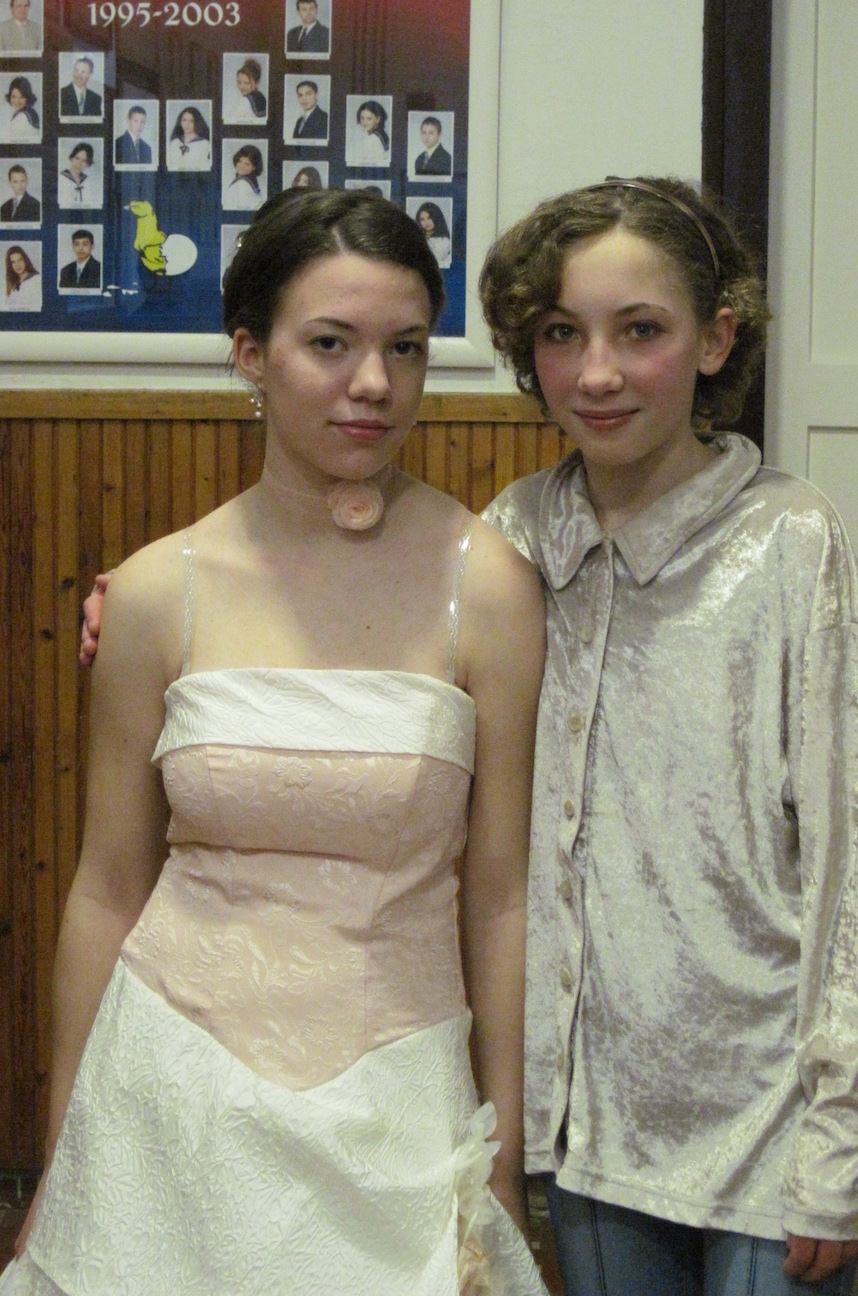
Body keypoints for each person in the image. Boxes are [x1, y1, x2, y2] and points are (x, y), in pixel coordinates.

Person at [6, 187, 547, 1296]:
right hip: (169, 1091)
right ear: (251, 353)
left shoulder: (486, 585)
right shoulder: (157, 591)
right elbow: (108, 886)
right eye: (331, 344)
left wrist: (505, 1151)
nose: (374, 384)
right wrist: (66, 1148)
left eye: (405, 348)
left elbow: (501, 897)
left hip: (396, 1096)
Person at [477, 176, 858, 1296]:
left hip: (767, 1123)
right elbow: (373, 646)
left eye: (641, 331)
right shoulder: (513, 537)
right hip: (591, 1124)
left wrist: (843, 1141)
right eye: (562, 334)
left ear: (717, 338)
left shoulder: (791, 541)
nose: (598, 373)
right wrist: (141, 608)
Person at [166, 105, 211, 171]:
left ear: (197, 122)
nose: (187, 124)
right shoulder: (174, 143)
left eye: (191, 121)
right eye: (184, 120)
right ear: (180, 122)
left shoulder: (205, 144)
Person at [348, 98, 389, 166]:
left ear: (378, 119)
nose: (364, 122)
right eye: (362, 118)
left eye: (369, 119)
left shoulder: (372, 139)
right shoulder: (382, 134)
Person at [223, 143, 264, 210]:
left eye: (246, 164)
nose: (241, 166)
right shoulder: (250, 182)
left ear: (254, 167)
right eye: (240, 161)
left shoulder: (242, 184)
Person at [3, 242, 40, 309]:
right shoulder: (12, 285)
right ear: (10, 265)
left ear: (25, 260)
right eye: (13, 262)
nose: (17, 265)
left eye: (20, 260)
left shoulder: (36, 279)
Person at [57, 142, 95, 207]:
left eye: (83, 161)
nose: (79, 164)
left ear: (87, 164)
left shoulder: (87, 182)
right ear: (72, 158)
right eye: (77, 158)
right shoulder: (60, 179)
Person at [3, 76, 40, 142]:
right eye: (13, 96)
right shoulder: (31, 112)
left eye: (22, 97)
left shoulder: (21, 118)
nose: (17, 101)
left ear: (27, 97)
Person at [415, 201, 451, 268]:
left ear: (436, 218)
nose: (426, 222)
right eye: (422, 219)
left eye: (429, 218)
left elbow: (433, 260)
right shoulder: (417, 238)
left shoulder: (444, 241)